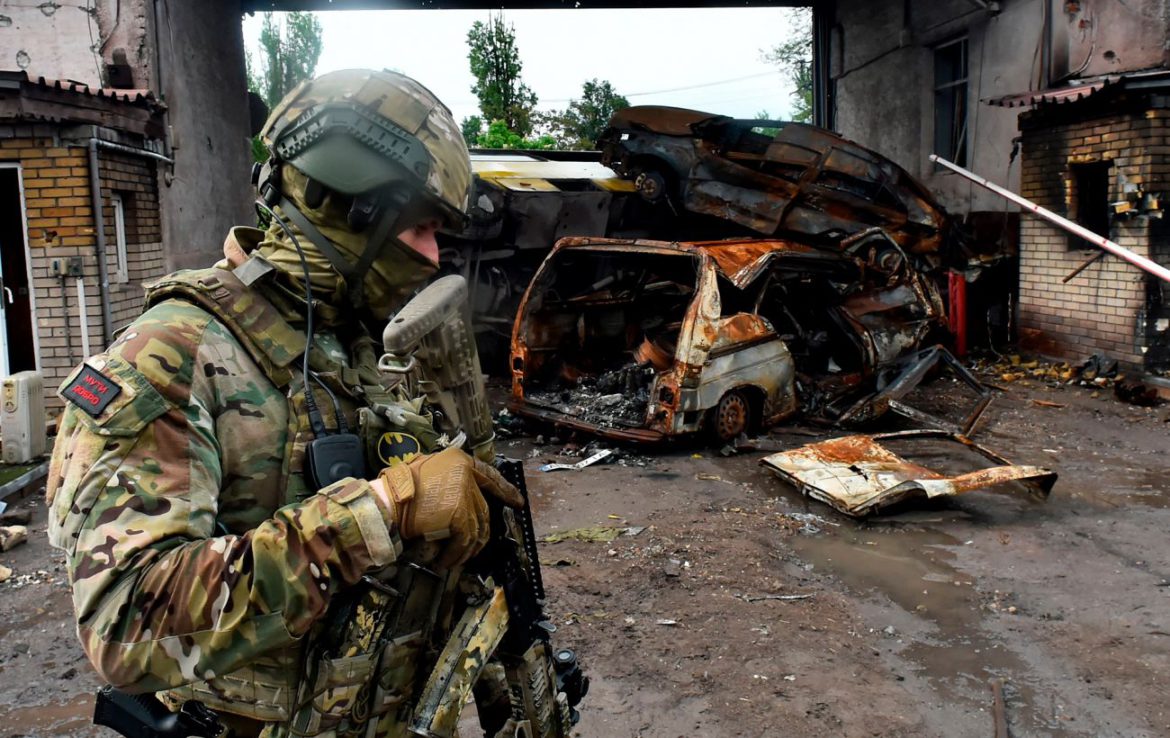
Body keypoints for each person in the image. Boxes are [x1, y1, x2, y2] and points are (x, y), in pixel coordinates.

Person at [46, 69, 522, 737]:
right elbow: (127, 626)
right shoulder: (170, 355)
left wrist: (501, 674)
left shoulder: (356, 347)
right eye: (421, 229)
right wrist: (381, 509)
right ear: (354, 210)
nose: (435, 256)